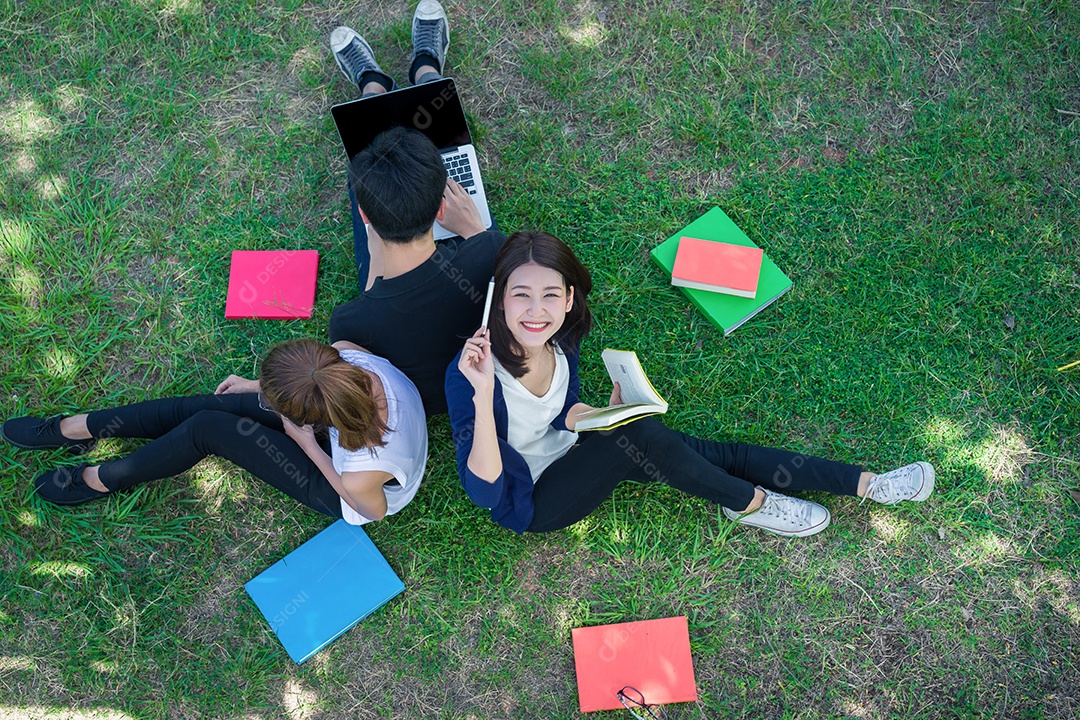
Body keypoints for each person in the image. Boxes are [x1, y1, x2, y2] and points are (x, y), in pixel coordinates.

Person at [445, 231, 936, 537]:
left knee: (705, 452)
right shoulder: (469, 372)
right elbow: (485, 492)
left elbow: (560, 410)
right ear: (498, 299)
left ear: (571, 298)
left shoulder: (561, 342)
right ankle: (750, 504)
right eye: (521, 295)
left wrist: (602, 416)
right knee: (639, 439)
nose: (536, 311)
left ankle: (867, 483)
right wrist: (483, 396)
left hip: (580, 446)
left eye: (551, 295)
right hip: (534, 497)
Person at [2, 340, 427, 525]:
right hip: (335, 425)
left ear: (310, 418)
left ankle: (101, 479)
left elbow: (373, 512)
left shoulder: (363, 467)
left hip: (344, 490)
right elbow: (319, 378)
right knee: (207, 406)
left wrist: (304, 445)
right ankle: (78, 427)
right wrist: (260, 387)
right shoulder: (348, 358)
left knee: (209, 429)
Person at [327, 1, 507, 415]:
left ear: (365, 218)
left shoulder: (351, 322)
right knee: (434, 149)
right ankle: (426, 70)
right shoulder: (489, 252)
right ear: (443, 202)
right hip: (469, 377)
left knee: (370, 177)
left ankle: (372, 89)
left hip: (425, 388)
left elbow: (370, 318)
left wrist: (374, 271)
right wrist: (476, 232)